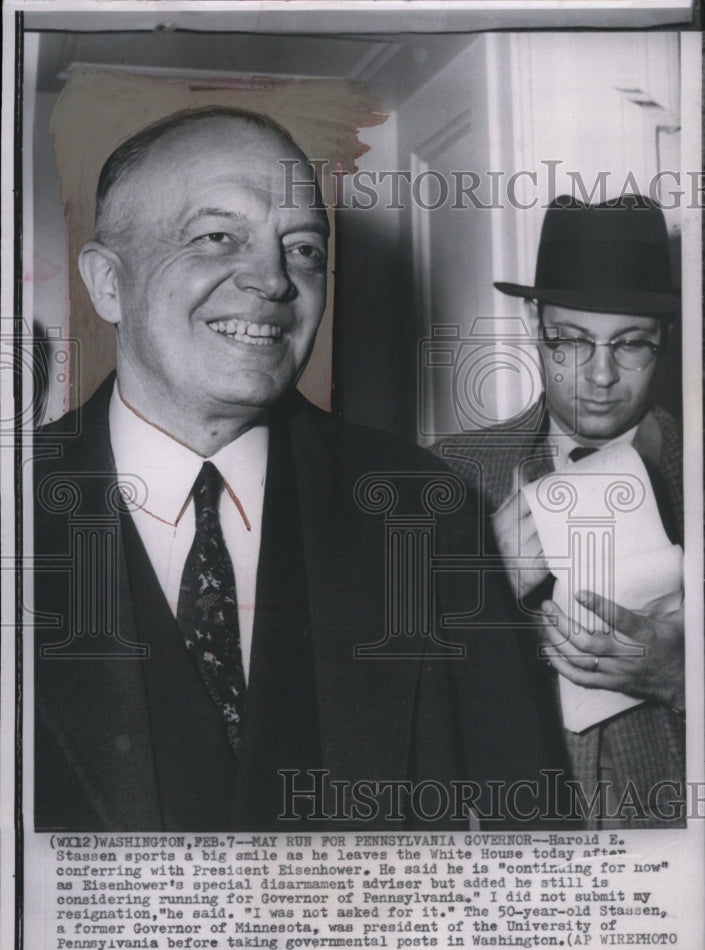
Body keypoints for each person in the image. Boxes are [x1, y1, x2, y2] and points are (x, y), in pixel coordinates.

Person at [33, 106, 555, 832]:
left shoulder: (426, 511)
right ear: (108, 283)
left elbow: (528, 830)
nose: (275, 281)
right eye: (218, 237)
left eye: (303, 248)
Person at [433, 195, 685, 829]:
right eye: (571, 342)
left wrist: (682, 679)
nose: (600, 376)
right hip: (506, 858)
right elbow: (378, 702)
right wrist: (479, 592)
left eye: (631, 345)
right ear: (532, 320)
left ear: (667, 337)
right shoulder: (444, 474)